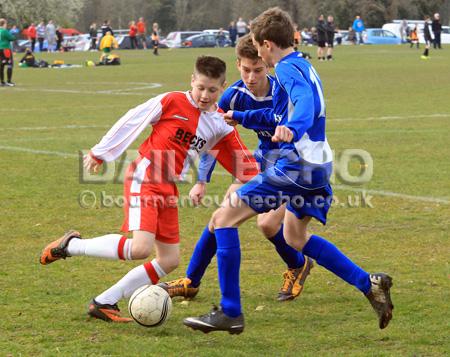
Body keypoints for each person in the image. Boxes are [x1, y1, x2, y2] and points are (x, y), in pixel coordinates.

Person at [183, 7, 394, 335]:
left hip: (296, 165)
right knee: (295, 236)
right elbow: (279, 114)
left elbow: (304, 105)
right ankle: (368, 283)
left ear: (267, 44)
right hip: (318, 166)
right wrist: (243, 118)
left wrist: (293, 129)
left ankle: (230, 312)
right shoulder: (304, 65)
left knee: (224, 218)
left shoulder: (287, 70)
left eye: (257, 44)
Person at [39, 55, 259, 323]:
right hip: (145, 177)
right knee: (141, 248)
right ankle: (71, 246)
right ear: (192, 81)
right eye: (200, 87)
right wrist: (101, 152)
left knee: (169, 260)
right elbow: (134, 119)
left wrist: (273, 183)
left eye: (212, 90)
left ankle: (104, 301)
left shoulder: (220, 123)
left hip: (169, 188)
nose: (204, 95)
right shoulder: (172, 101)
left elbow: (244, 164)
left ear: (222, 87)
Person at [159, 34, 312, 302]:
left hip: (294, 167)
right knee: (219, 218)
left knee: (266, 224)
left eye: (258, 70)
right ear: (237, 65)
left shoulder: (282, 92)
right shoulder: (232, 96)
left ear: (267, 64)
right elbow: (213, 137)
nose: (252, 77)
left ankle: (297, 264)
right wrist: (202, 180)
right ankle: (191, 282)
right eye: (245, 70)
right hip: (260, 164)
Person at [0, 18, 15, 86]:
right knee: (10, 64)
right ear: (3, 24)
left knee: (1, 66)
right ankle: (9, 81)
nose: (6, 25)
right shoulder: (4, 31)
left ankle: (2, 82)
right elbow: (12, 38)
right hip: (6, 49)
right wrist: (13, 35)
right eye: (6, 23)